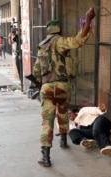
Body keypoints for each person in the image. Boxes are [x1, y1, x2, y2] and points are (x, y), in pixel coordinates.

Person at [32, 7, 95, 167]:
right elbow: (78, 41)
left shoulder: (41, 47)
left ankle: (45, 156)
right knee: (63, 112)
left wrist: (41, 84)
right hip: (62, 85)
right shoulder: (60, 41)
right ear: (58, 30)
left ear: (48, 31)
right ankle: (63, 140)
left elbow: (36, 72)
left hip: (46, 87)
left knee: (47, 121)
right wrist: (88, 20)